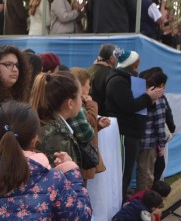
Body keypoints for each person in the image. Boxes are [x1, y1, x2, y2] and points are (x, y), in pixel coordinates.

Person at [105, 50, 163, 197]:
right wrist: (148, 97)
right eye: (137, 65)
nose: (138, 68)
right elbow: (129, 106)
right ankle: (118, 202)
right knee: (123, 171)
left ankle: (122, 197)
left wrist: (151, 100)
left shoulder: (130, 79)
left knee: (127, 170)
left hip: (133, 132)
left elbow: (139, 106)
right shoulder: (118, 81)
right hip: (125, 131)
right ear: (132, 65)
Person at [30, 71, 84, 168]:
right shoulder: (57, 134)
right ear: (70, 103)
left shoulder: (51, 125)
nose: (82, 100)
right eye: (80, 96)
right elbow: (59, 174)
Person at [71, 67, 109, 181]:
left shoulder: (78, 102)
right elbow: (89, 125)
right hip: (80, 158)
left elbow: (87, 123)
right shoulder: (79, 103)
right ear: (81, 85)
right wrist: (92, 104)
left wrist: (98, 124)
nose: (90, 87)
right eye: (88, 83)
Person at [137, 68, 172, 189]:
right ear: (161, 85)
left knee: (142, 172)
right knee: (147, 175)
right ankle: (145, 198)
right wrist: (162, 143)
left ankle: (142, 196)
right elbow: (160, 124)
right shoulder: (159, 99)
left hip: (141, 139)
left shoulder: (144, 95)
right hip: (150, 142)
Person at [87, 43, 119, 116]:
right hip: (103, 115)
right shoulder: (109, 74)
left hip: (91, 111)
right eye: (117, 56)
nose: (118, 59)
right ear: (111, 58)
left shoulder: (90, 69)